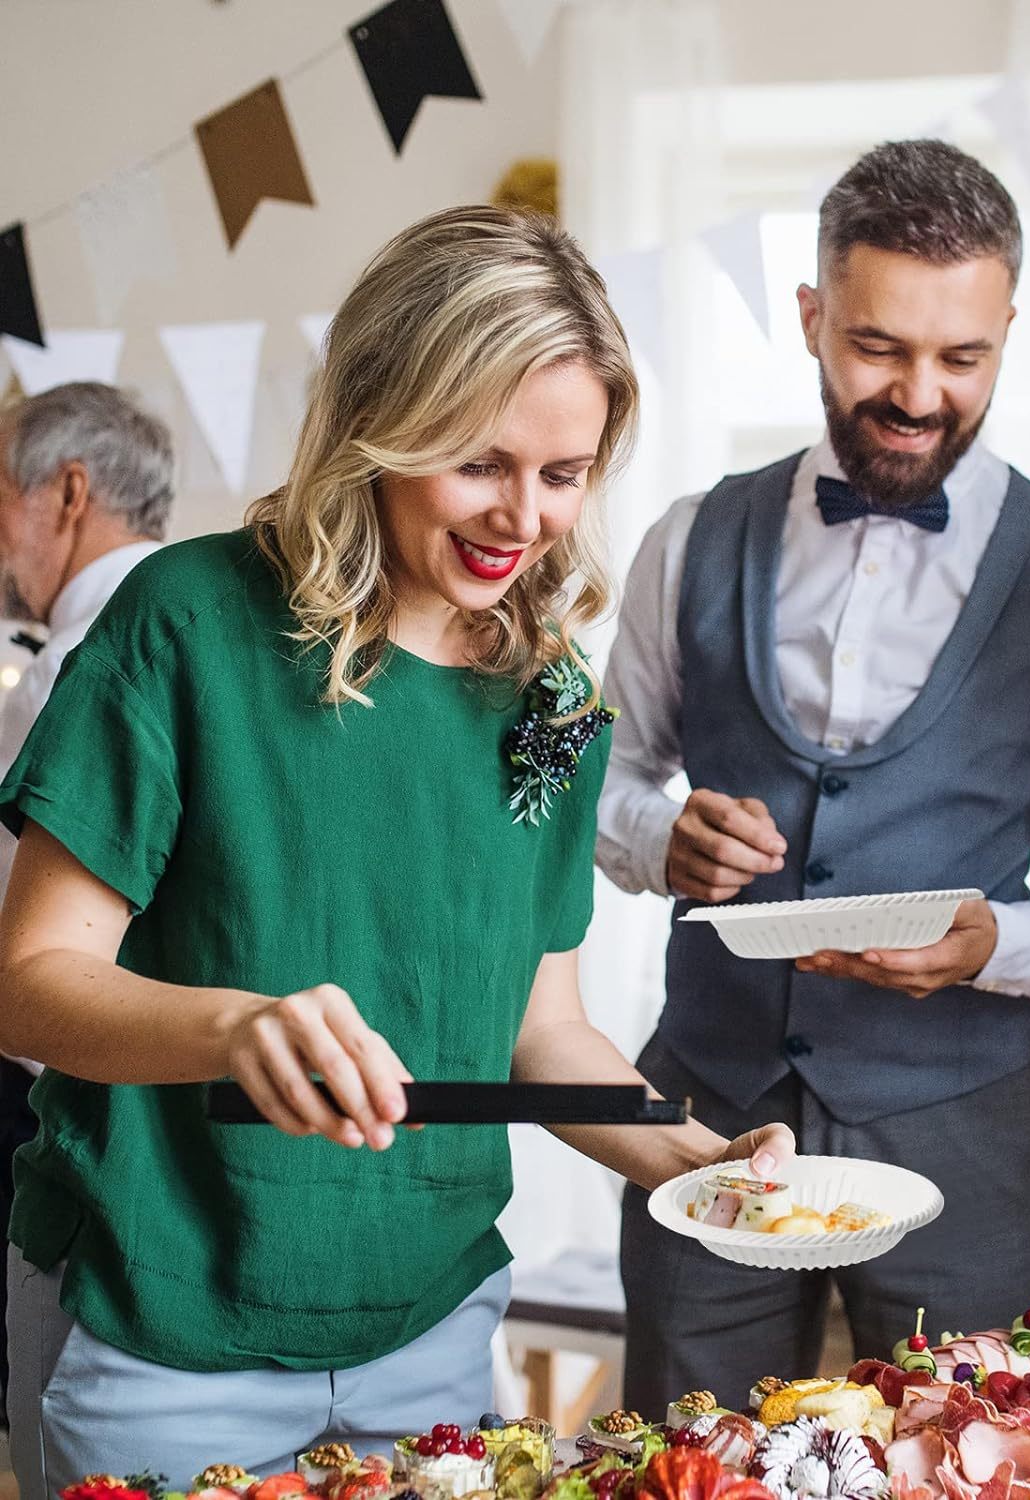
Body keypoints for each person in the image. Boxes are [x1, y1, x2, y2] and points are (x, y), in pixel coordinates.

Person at [0, 206, 792, 1493]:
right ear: (381, 417)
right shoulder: (185, 624)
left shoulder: (554, 704)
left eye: (564, 472)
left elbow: (541, 1037)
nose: (523, 519)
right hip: (164, 1328)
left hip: (431, 1334)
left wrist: (697, 1161)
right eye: (480, 462)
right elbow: (27, 976)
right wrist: (234, 1029)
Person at [597, 139, 1030, 1411]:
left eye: (963, 359)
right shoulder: (690, 538)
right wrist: (659, 838)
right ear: (811, 318)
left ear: (1009, 329)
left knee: (979, 1456)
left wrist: (995, 943)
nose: (917, 394)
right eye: (878, 348)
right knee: (687, 1463)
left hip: (965, 1122)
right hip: (704, 1107)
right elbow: (601, 778)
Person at [0, 380, 173, 1411]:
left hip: (55, 1094)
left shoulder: (79, 659)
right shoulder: (213, 633)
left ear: (67, 493)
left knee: (51, 1400)